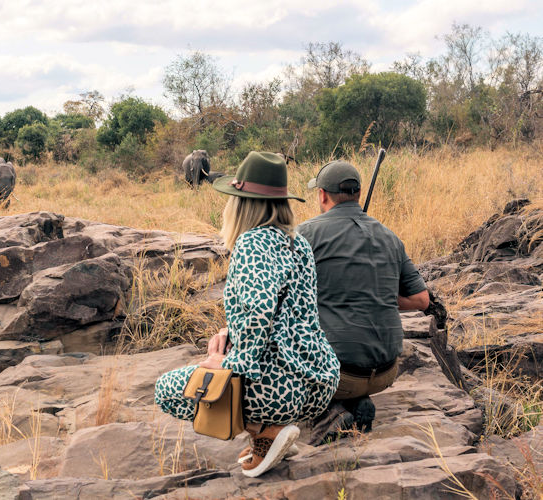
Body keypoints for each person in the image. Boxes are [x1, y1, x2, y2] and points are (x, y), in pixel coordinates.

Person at [154, 151, 340, 477]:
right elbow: (286, 310)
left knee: (167, 390)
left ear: (242, 203)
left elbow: (259, 314)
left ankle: (265, 431)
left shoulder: (252, 243)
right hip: (318, 379)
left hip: (279, 387)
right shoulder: (298, 242)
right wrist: (231, 332)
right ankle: (271, 430)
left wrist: (226, 364)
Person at [296, 160, 429, 443]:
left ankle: (328, 411)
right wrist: (375, 293)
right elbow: (421, 300)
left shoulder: (306, 234)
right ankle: (357, 403)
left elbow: (279, 298)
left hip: (338, 375)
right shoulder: (389, 236)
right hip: (386, 372)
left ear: (322, 194)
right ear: (357, 194)